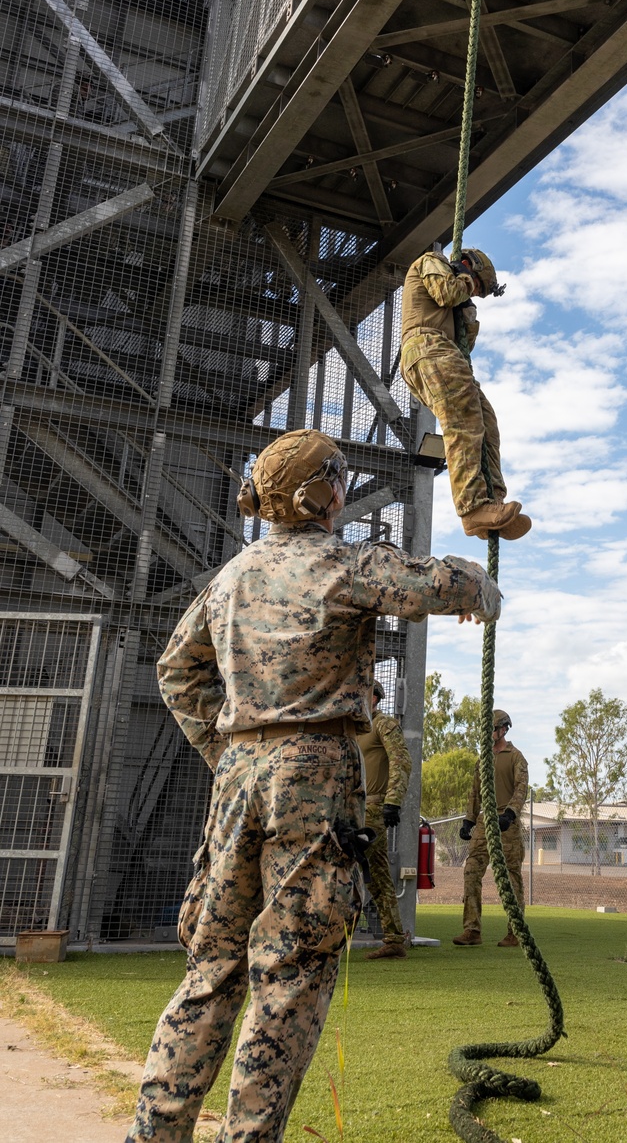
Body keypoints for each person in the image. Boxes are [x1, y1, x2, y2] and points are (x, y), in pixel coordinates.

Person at [126, 427, 500, 1143]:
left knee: (211, 969)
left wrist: (224, 747)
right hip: (317, 774)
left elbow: (176, 671)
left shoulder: (230, 578)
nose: (343, 488)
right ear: (317, 494)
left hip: (237, 777)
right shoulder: (342, 563)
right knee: (290, 974)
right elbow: (439, 584)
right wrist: (482, 585)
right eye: (339, 476)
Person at [400, 246, 530, 540]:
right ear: (470, 265)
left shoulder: (459, 289)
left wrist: (468, 319)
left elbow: (464, 346)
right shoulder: (430, 261)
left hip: (447, 354)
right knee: (464, 422)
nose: (474, 292)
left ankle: (492, 500)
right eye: (478, 286)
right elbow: (446, 293)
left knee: (487, 423)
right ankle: (472, 507)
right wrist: (465, 281)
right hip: (428, 348)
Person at [454, 709, 528, 948]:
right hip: (485, 823)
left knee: (510, 877)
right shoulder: (482, 759)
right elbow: (475, 792)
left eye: (492, 729)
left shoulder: (516, 757)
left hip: (507, 824)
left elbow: (521, 788)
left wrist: (511, 813)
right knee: (471, 871)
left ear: (503, 729)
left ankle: (516, 932)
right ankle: (472, 930)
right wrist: (469, 820)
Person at [358, 677, 412, 960]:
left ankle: (393, 939)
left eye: (362, 692)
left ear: (374, 697)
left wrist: (392, 802)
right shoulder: (351, 728)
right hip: (348, 809)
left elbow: (402, 761)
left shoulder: (383, 724)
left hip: (374, 808)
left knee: (376, 873)